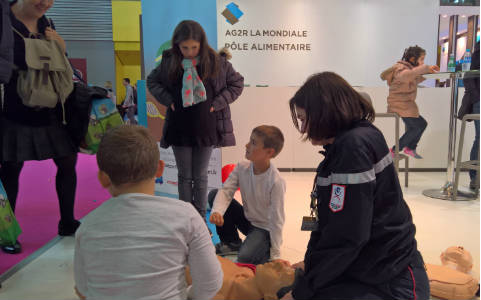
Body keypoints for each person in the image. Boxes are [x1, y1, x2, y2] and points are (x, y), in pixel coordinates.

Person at [282, 72, 429, 300]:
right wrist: (312, 266)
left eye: (303, 119)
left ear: (324, 112)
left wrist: (306, 285)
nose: (302, 129)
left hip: (393, 283)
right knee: (290, 287)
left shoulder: (352, 147)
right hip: (373, 268)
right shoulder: (354, 140)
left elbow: (348, 236)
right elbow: (334, 225)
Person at [73, 125, 222, 300]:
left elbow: (83, 290)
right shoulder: (186, 216)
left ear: (103, 178)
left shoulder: (88, 227)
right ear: (160, 168)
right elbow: (211, 282)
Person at [0, 0, 79, 254]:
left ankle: (68, 222)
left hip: (52, 109)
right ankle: (6, 233)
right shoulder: (4, 20)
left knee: (68, 163)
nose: (45, 3)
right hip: (14, 108)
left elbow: (60, 63)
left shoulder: (48, 24)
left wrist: (61, 47)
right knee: (10, 170)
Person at [147, 20, 244, 222]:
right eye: (184, 48)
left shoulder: (216, 62)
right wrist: (168, 100)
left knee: (200, 177)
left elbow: (237, 84)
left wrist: (217, 103)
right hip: (179, 128)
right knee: (184, 176)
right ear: (176, 45)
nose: (189, 52)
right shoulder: (169, 61)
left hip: (206, 128)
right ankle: (185, 217)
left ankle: (199, 221)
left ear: (201, 43)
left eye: (194, 47)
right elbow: (152, 81)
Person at [209, 125, 286, 265]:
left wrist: (275, 255)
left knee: (244, 258)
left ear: (269, 152)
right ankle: (232, 242)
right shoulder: (241, 167)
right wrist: (217, 211)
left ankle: (264, 247)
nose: (247, 145)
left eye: (253, 143)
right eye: (250, 140)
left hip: (264, 228)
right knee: (214, 195)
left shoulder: (276, 182)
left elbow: (277, 219)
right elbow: (226, 191)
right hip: (247, 220)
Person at [380, 45, 439, 159]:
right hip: (399, 105)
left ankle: (410, 147)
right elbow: (407, 76)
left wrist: (429, 72)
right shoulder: (400, 68)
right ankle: (394, 150)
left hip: (406, 105)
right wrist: (425, 68)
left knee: (422, 124)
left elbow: (415, 78)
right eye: (421, 59)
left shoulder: (410, 70)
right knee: (416, 127)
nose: (422, 62)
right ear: (412, 59)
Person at [458, 41, 480, 191]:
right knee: (479, 139)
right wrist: (476, 98)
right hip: (479, 100)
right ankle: (474, 178)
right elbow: (468, 76)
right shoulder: (478, 53)